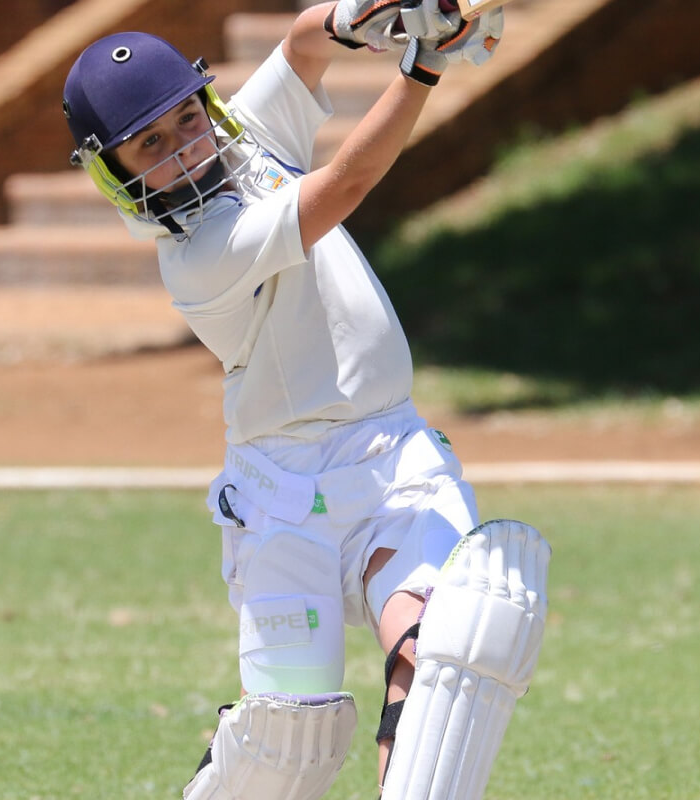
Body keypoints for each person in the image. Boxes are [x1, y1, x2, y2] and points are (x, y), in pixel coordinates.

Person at [59, 3, 549, 798]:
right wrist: (423, 62)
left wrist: (371, 16)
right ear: (116, 173)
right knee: (291, 744)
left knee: (451, 645)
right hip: (282, 495)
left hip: (394, 458)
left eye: (187, 117)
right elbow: (347, 182)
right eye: (151, 143)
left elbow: (299, 45)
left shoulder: (242, 140)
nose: (184, 145)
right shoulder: (196, 256)